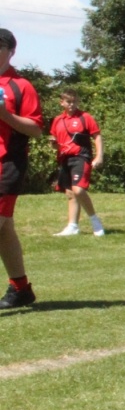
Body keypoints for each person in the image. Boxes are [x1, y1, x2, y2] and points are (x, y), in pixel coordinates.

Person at [0, 29, 44, 309]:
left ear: (11, 52)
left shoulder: (21, 86)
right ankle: (20, 289)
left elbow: (36, 129)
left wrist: (4, 114)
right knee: (4, 230)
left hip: (6, 164)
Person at [49, 88, 105, 237]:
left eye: (74, 101)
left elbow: (97, 136)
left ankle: (95, 221)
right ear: (62, 102)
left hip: (81, 156)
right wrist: (54, 144)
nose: (72, 104)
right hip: (64, 158)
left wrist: (99, 156)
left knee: (78, 190)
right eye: (68, 102)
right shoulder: (58, 120)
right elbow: (56, 143)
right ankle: (73, 226)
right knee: (70, 193)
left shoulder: (85, 117)